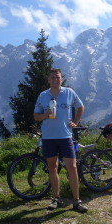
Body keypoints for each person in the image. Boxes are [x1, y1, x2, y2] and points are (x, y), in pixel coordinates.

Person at [33, 68, 88, 212]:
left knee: (73, 167)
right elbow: (35, 116)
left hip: (65, 136)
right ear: (48, 80)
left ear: (61, 79)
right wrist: (45, 114)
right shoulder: (43, 95)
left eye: (57, 77)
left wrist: (76, 122)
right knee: (52, 167)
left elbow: (81, 107)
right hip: (49, 137)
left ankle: (77, 201)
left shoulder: (69, 92)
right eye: (52, 77)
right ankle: (57, 198)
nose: (55, 80)